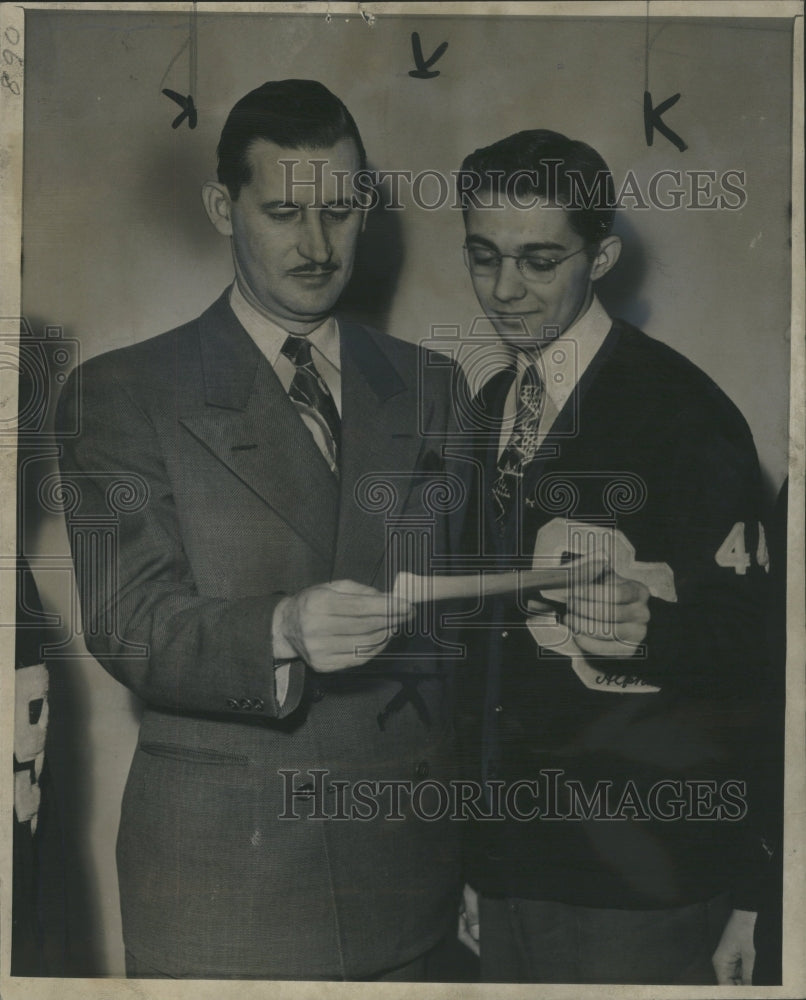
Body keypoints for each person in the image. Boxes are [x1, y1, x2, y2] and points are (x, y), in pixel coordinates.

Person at [55, 79, 464, 980]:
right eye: (283, 212)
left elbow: (455, 638)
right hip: (224, 891)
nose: (318, 248)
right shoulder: (119, 396)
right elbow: (128, 619)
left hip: (411, 881)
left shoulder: (435, 385)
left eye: (341, 211)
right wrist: (277, 629)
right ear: (220, 207)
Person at [451, 129, 771, 984]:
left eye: (539, 261)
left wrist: (758, 887)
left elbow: (764, 647)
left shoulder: (683, 412)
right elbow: (488, 654)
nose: (505, 290)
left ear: (602, 257)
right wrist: (479, 861)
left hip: (646, 883)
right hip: (513, 869)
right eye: (484, 258)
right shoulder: (489, 407)